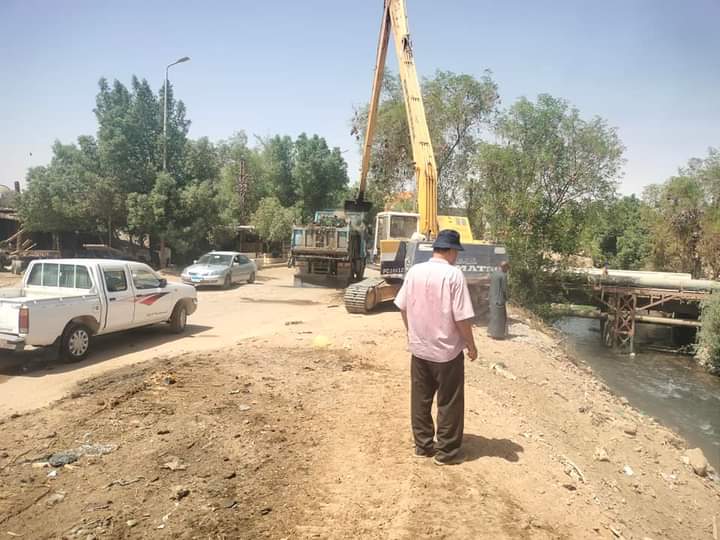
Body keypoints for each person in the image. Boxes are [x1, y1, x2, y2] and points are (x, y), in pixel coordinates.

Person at [394, 229, 478, 466]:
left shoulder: (415, 271)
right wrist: (471, 345)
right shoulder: (454, 275)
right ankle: (446, 452)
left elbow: (402, 307)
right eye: (456, 252)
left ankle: (423, 446)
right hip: (446, 352)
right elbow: (461, 317)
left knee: (420, 399)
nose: (457, 257)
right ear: (451, 251)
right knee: (449, 401)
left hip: (419, 349)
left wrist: (412, 333)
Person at [488, 261, 510, 339]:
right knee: (500, 318)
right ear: (504, 267)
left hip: (492, 298)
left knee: (493, 316)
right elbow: (505, 289)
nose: (507, 270)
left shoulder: (494, 274)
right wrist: (507, 297)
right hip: (499, 300)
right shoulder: (503, 276)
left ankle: (490, 332)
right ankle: (498, 335)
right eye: (507, 268)